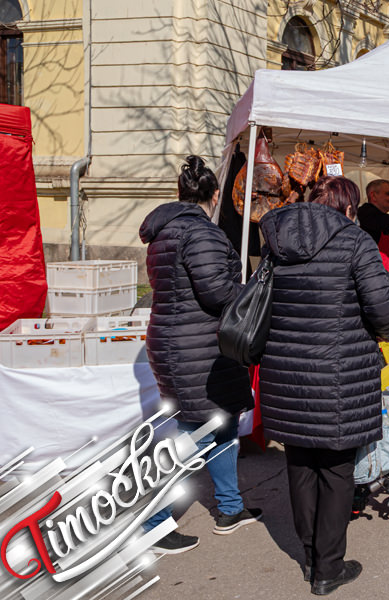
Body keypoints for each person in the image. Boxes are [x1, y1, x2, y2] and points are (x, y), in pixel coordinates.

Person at [258, 176, 389, 595]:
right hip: (339, 378)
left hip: (285, 375)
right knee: (336, 472)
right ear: (349, 208)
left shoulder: (275, 242)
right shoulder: (355, 243)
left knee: (300, 466)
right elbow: (384, 317)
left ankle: (310, 558)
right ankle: (327, 569)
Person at [138, 156, 261, 554]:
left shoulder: (165, 231)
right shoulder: (200, 232)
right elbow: (218, 293)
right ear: (213, 195)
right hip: (197, 346)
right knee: (194, 433)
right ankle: (154, 524)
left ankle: (230, 507)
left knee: (219, 425)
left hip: (178, 340)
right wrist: (251, 288)